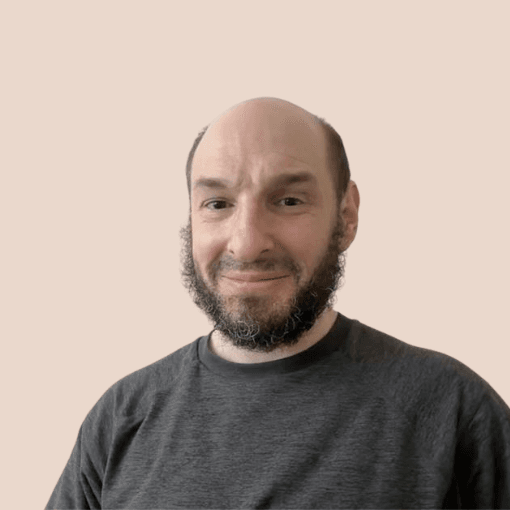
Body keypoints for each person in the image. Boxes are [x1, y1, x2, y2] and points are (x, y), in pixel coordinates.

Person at [46, 97, 510, 509]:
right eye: (217, 203)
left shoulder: (452, 411)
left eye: (288, 201)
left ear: (346, 216)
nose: (247, 244)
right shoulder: (121, 418)